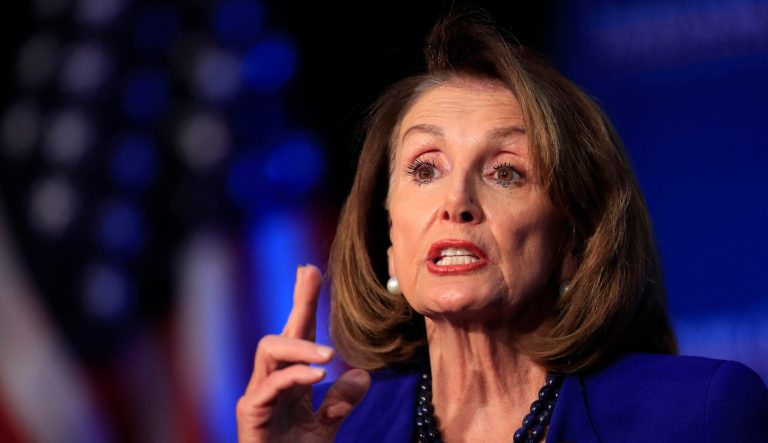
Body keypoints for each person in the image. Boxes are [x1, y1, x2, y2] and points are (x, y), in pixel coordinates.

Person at [236, 12, 768, 443]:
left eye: (505, 173)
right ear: (389, 244)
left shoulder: (697, 416)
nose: (457, 202)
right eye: (425, 169)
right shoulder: (338, 430)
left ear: (574, 242)